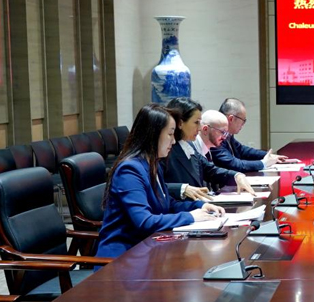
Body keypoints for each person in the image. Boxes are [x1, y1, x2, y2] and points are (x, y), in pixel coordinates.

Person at [96, 104, 224, 259]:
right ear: (153, 135)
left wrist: (200, 206)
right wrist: (191, 216)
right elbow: (144, 221)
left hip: (148, 249)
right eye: (170, 134)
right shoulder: (129, 170)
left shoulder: (152, 164)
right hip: (123, 257)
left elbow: (168, 204)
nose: (174, 141)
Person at [164, 98, 255, 198]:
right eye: (196, 122)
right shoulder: (165, 150)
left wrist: (236, 176)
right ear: (180, 123)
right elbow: (156, 187)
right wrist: (182, 189)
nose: (199, 128)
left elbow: (210, 170)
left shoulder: (188, 145)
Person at [210, 98, 292, 172]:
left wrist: (269, 156)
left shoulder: (227, 134)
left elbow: (242, 150)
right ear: (231, 119)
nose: (243, 124)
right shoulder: (215, 136)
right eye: (243, 120)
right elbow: (232, 164)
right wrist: (263, 163)